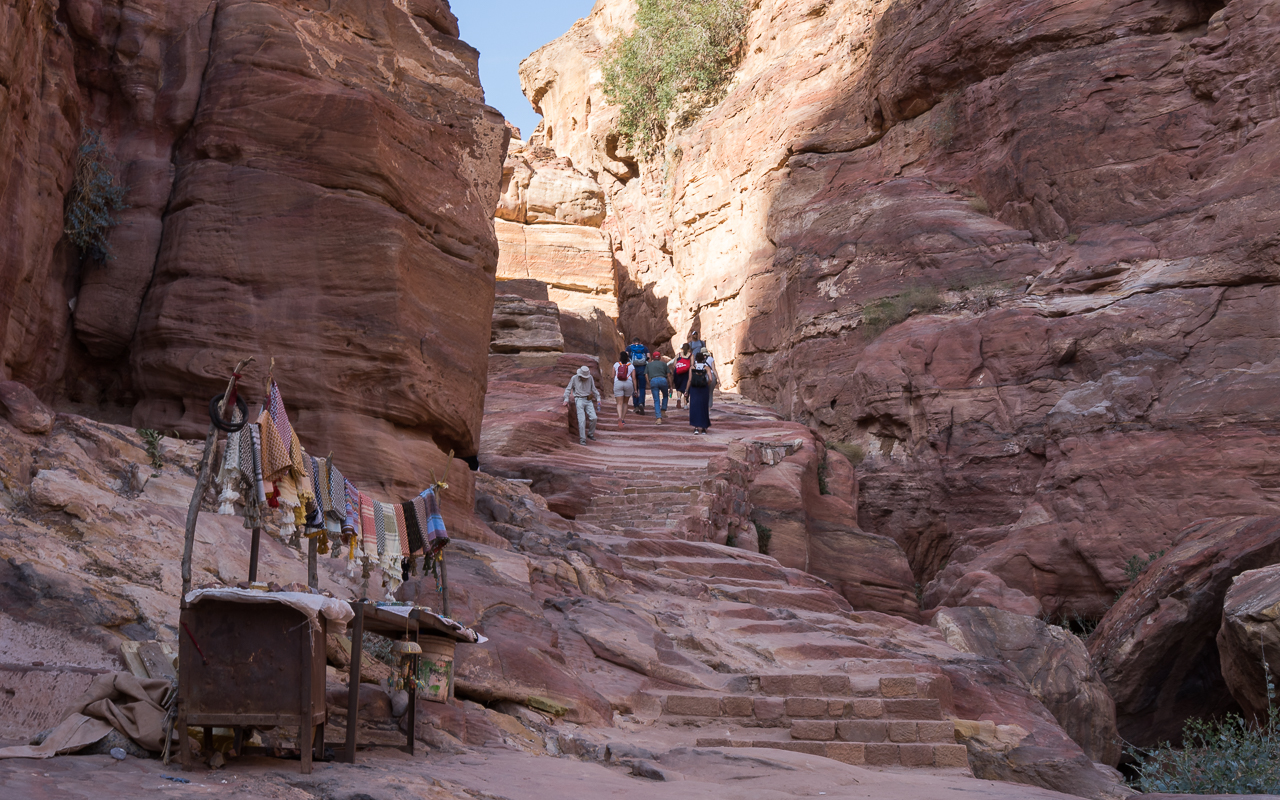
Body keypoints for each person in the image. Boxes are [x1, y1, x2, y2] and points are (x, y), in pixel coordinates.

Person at [561, 365, 601, 445]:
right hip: (579, 399)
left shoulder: (590, 378)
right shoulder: (574, 378)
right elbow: (568, 389)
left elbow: (594, 389)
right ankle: (582, 439)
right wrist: (566, 399)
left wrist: (598, 398)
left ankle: (590, 434)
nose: (585, 378)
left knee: (594, 418)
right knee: (581, 420)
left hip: (588, 399)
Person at [687, 351, 716, 435]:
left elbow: (689, 380)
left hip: (694, 389)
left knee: (694, 407)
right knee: (703, 407)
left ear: (696, 359)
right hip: (703, 389)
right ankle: (703, 428)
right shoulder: (706, 367)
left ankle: (696, 428)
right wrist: (706, 385)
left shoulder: (692, 367)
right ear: (703, 359)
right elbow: (710, 379)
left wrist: (686, 390)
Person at [610, 350, 635, 429]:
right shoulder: (631, 366)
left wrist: (613, 384)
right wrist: (636, 389)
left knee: (619, 403)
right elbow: (634, 378)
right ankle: (623, 419)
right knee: (625, 402)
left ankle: (619, 417)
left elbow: (612, 376)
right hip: (628, 383)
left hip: (618, 383)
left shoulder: (616, 364)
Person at [645, 350, 671, 424]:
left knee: (656, 400)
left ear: (653, 357)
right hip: (663, 379)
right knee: (665, 395)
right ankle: (663, 410)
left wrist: (648, 383)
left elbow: (646, 374)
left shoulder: (649, 365)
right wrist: (671, 386)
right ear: (660, 357)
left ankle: (658, 418)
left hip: (653, 380)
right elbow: (668, 375)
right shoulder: (664, 364)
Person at [626, 338, 649, 415]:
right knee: (642, 388)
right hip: (642, 368)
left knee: (634, 387)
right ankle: (641, 403)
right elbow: (648, 357)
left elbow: (626, 356)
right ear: (640, 342)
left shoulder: (629, 347)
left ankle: (636, 406)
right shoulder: (644, 348)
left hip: (633, 368)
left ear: (632, 342)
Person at [669, 344, 692, 409]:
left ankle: (678, 398)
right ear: (689, 348)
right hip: (686, 373)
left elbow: (674, 364)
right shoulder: (691, 355)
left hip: (678, 373)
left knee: (679, 388)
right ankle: (685, 404)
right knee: (686, 388)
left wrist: (678, 369)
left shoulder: (678, 354)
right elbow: (692, 365)